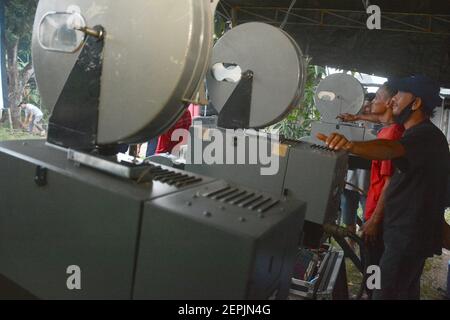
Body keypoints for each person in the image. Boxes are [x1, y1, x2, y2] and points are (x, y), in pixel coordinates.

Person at [318, 75, 449, 300]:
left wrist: (351, 146)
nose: (391, 101)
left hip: (407, 235)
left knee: (385, 291)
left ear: (416, 103)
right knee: (403, 290)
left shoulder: (423, 135)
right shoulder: (419, 134)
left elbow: (390, 149)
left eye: (398, 95)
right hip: (406, 231)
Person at [339, 83, 404, 278]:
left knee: (374, 265)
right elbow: (378, 117)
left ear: (389, 103)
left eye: (376, 98)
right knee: (371, 260)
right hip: (373, 208)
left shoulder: (392, 134)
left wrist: (375, 220)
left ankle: (372, 293)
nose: (372, 101)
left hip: (378, 212)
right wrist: (357, 116)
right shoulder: (388, 128)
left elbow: (389, 181)